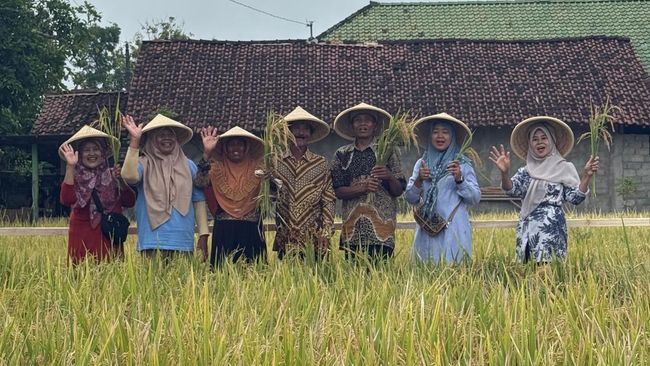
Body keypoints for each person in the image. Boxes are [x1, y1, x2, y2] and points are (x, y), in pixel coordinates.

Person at [489, 116, 600, 263]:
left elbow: (575, 198)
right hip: (528, 230)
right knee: (528, 273)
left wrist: (586, 176)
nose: (539, 142)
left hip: (552, 229)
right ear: (530, 144)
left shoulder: (564, 168)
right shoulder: (526, 171)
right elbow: (512, 190)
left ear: (552, 141)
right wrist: (504, 173)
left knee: (550, 274)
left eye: (544, 138)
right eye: (535, 139)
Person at [120, 114, 209, 260]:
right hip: (152, 242)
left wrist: (203, 235)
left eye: (170, 135)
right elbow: (129, 176)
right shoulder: (143, 163)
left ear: (177, 140)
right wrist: (134, 141)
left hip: (183, 242)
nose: (166, 138)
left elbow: (198, 200)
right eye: (160, 135)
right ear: (152, 140)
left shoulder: (189, 166)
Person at [330, 103, 406, 261]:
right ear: (352, 126)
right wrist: (362, 188)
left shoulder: (387, 151)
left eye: (367, 120)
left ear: (375, 125)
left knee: (382, 277)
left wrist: (389, 176)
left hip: (382, 230)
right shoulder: (342, 154)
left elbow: (399, 190)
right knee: (353, 279)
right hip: (353, 229)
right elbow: (337, 191)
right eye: (358, 120)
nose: (363, 124)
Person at [405, 114, 481, 263]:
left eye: (445, 132)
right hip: (427, 229)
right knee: (426, 276)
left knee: (454, 274)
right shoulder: (422, 164)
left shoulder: (461, 164)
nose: (440, 136)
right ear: (430, 136)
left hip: (454, 230)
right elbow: (410, 197)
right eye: (435, 132)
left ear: (452, 136)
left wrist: (459, 179)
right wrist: (419, 180)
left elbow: (475, 197)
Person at [59, 126, 136, 264]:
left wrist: (120, 181)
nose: (91, 153)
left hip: (109, 233)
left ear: (103, 153)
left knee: (112, 277)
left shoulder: (113, 174)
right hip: (81, 235)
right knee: (81, 277)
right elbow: (66, 199)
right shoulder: (75, 177)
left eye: (96, 149)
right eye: (86, 150)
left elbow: (130, 201)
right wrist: (70, 166)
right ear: (80, 154)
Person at [271, 106, 336, 259]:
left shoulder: (320, 163)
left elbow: (328, 199)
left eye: (305, 129)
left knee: (318, 280)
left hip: (314, 236)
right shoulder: (275, 162)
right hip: (285, 236)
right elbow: (270, 196)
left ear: (310, 135)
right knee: (286, 280)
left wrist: (326, 232)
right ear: (287, 134)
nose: (301, 133)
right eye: (296, 129)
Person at [196, 126, 266, 266]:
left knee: (256, 273)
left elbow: (273, 194)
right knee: (222, 275)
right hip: (225, 229)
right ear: (225, 149)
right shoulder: (215, 169)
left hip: (252, 230)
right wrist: (206, 155)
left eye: (240, 144)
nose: (236, 148)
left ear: (246, 148)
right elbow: (199, 182)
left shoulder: (260, 169)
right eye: (231, 144)